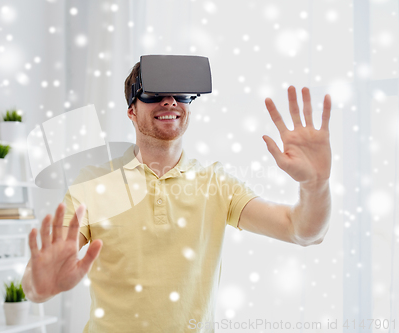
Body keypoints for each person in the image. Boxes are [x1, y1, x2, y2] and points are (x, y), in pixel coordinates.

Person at [21, 61, 332, 332]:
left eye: (180, 94)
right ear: (132, 110)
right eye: (154, 93)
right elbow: (39, 279)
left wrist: (316, 185)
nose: (169, 101)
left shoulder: (217, 183)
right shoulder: (92, 182)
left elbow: (301, 231)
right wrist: (40, 288)